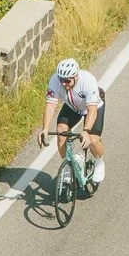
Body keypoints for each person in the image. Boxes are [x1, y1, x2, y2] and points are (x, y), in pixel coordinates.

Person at [39, 57, 106, 185]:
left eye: (67, 81)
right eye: (61, 80)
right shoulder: (55, 81)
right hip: (72, 106)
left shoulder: (88, 80)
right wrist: (45, 129)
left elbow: (92, 110)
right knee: (61, 131)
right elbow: (50, 105)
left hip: (93, 107)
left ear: (76, 76)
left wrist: (86, 131)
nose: (64, 84)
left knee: (93, 140)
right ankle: (68, 165)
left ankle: (99, 162)